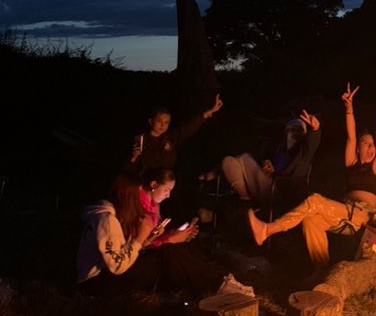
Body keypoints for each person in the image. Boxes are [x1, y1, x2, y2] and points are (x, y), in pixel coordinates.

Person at [248, 81, 376, 267]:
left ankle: (268, 229)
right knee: (311, 220)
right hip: (343, 214)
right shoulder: (351, 162)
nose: (371, 147)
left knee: (315, 200)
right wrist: (348, 107)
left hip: (360, 216)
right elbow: (351, 136)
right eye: (366, 143)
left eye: (373, 144)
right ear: (358, 148)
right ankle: (322, 271)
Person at [77, 168, 237, 297]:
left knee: (174, 250)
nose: (140, 198)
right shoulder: (105, 220)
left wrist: (149, 239)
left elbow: (130, 250)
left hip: (115, 271)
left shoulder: (118, 215)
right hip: (97, 282)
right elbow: (117, 266)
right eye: (137, 193)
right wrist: (142, 237)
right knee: (167, 254)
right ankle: (217, 288)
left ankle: (221, 280)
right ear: (126, 195)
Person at [217, 110, 321, 210]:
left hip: (280, 191)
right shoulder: (277, 148)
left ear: (304, 135)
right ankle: (246, 200)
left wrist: (315, 130)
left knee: (245, 157)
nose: (295, 133)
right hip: (265, 184)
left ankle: (246, 201)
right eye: (292, 129)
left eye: (299, 130)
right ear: (286, 132)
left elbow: (311, 144)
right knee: (228, 161)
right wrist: (265, 163)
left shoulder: (302, 154)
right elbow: (261, 160)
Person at [128, 94, 224, 175]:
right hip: (146, 181)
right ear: (150, 121)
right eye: (159, 121)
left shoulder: (169, 138)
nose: (162, 125)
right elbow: (130, 168)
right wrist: (133, 157)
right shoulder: (140, 139)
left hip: (165, 181)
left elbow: (189, 126)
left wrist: (210, 111)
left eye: (166, 122)